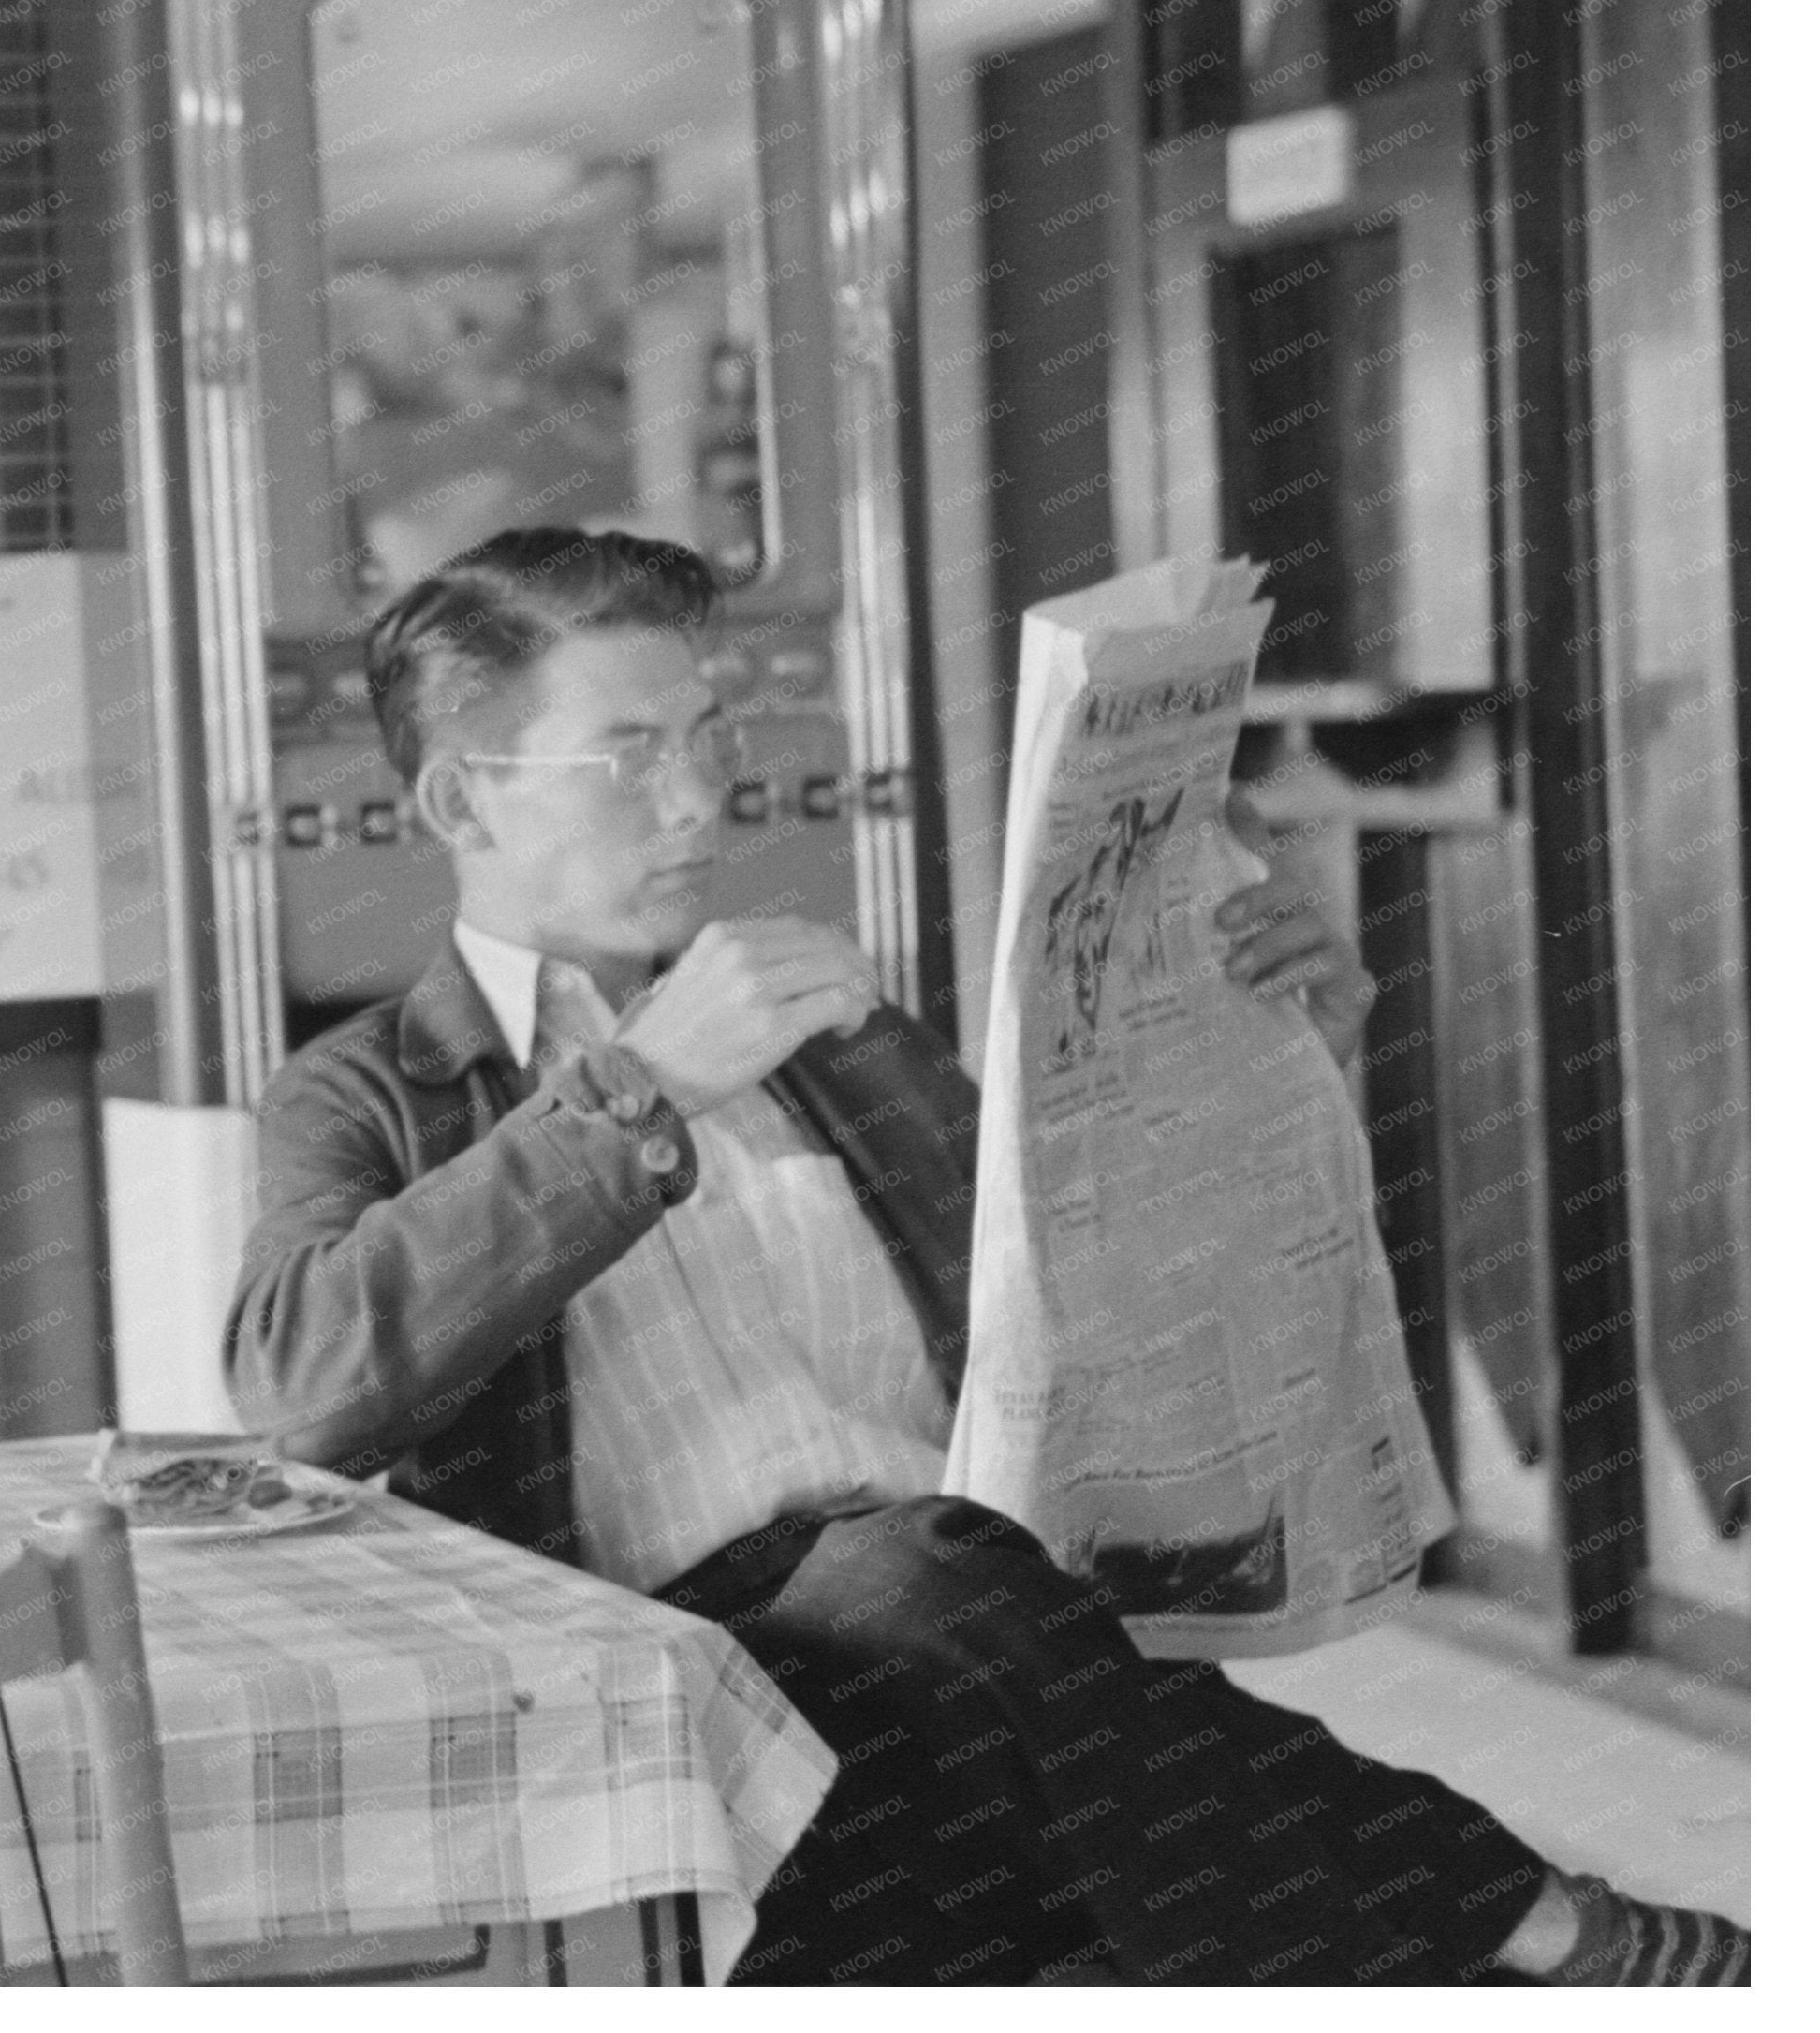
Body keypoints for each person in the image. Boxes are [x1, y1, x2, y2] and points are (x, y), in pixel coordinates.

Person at [228, 527, 1747, 1987]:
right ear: (459, 801)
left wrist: (1270, 1063)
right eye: (629, 752)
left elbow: (1086, 1298)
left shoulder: (829, 1030)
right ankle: (1532, 1927)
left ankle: (1499, 1937)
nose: (699, 796)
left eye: (708, 735)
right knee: (947, 1600)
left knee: (973, 1628)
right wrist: (635, 1091)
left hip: (976, 1659)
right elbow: (303, 1385)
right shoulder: (369, 1088)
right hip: (683, 1690)